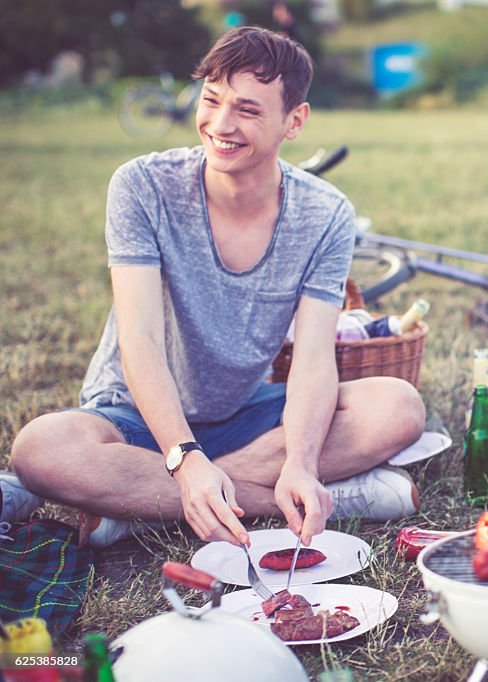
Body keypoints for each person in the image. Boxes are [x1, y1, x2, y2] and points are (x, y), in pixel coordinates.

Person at [1, 27, 425, 548]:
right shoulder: (142, 186)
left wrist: (301, 460)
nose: (221, 125)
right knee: (42, 448)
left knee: (398, 406)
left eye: (248, 110)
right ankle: (270, 499)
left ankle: (140, 505)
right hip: (134, 414)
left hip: (245, 413)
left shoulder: (326, 213)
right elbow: (140, 340)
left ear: (295, 121)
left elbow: (315, 359)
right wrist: (182, 459)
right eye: (211, 100)